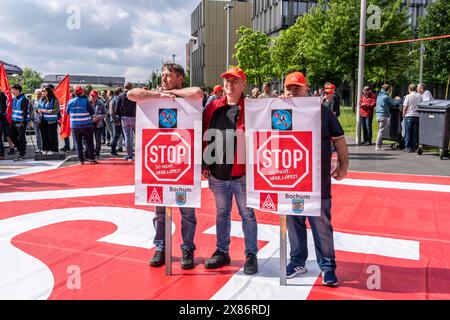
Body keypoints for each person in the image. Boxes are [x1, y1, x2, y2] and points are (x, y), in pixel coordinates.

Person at [128, 62, 204, 270]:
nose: (163, 78)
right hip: (159, 163)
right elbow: (131, 94)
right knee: (160, 211)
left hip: (183, 163)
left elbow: (198, 92)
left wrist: (174, 94)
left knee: (187, 211)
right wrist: (158, 96)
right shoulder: (154, 96)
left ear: (180, 78)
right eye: (162, 75)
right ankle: (160, 246)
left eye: (168, 75)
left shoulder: (187, 95)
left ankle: (187, 248)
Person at [280, 72, 349, 286]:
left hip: (318, 182)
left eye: (297, 88)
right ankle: (298, 261)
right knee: (293, 223)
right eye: (288, 88)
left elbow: (339, 141)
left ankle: (327, 267)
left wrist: (344, 166)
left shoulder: (323, 112)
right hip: (290, 181)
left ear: (306, 89)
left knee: (322, 228)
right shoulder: (278, 113)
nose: (292, 92)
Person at [202, 67, 258, 275]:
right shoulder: (213, 106)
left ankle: (251, 254)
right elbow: (205, 135)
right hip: (218, 172)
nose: (229, 84)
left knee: (247, 213)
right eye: (226, 80)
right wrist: (205, 164)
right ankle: (222, 251)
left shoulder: (252, 108)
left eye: (234, 80)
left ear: (244, 84)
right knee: (222, 213)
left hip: (243, 173)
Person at [66, 86, 97, 164]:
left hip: (75, 126)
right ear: (81, 92)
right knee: (89, 142)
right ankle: (91, 159)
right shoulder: (86, 101)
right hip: (86, 124)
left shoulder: (70, 101)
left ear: (74, 92)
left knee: (78, 143)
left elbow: (67, 112)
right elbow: (92, 112)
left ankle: (81, 160)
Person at [375, 84, 400, 151]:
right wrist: (398, 100)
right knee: (381, 131)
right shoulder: (386, 97)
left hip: (378, 115)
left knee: (380, 130)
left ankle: (379, 144)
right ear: (388, 90)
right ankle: (378, 146)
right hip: (383, 115)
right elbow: (394, 103)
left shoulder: (379, 96)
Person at [115, 82, 136, 161]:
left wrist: (119, 117)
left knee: (127, 137)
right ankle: (139, 153)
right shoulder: (134, 95)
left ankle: (130, 155)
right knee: (137, 136)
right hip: (134, 116)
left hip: (124, 118)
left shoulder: (120, 96)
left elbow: (116, 109)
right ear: (131, 87)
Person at [38, 86, 60, 155]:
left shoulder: (54, 100)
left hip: (52, 121)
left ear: (48, 92)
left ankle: (53, 149)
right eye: (42, 91)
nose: (42, 92)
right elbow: (38, 108)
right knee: (44, 136)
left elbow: (57, 110)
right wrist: (39, 110)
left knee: (52, 136)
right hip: (43, 120)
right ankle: (45, 149)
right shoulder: (42, 99)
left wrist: (48, 111)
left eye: (44, 91)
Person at [10, 84, 30, 161]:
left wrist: (23, 121)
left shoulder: (24, 99)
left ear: (18, 90)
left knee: (21, 137)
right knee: (12, 136)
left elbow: (25, 112)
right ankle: (20, 149)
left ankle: (22, 153)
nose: (12, 91)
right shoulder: (14, 99)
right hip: (14, 121)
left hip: (21, 122)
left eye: (13, 89)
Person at [403, 84, 422, 152]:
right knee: (415, 132)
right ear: (415, 89)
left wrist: (403, 114)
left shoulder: (408, 96)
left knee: (408, 132)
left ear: (409, 89)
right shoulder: (420, 96)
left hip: (409, 115)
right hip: (417, 115)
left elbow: (405, 107)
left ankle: (408, 147)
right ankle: (414, 146)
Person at [89, 90, 107, 158]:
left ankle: (97, 153)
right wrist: (91, 117)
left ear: (97, 96)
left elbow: (105, 113)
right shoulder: (87, 103)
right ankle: (90, 152)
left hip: (98, 124)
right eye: (92, 96)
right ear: (89, 96)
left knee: (98, 139)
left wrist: (98, 117)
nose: (93, 97)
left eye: (94, 96)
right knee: (89, 139)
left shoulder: (101, 103)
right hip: (89, 123)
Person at [30, 89, 43, 153]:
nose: (39, 95)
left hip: (42, 119)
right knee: (37, 135)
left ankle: (44, 147)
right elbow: (30, 110)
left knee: (43, 134)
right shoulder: (32, 101)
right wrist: (30, 118)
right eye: (38, 94)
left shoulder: (43, 100)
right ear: (35, 94)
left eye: (40, 94)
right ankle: (39, 147)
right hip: (35, 120)